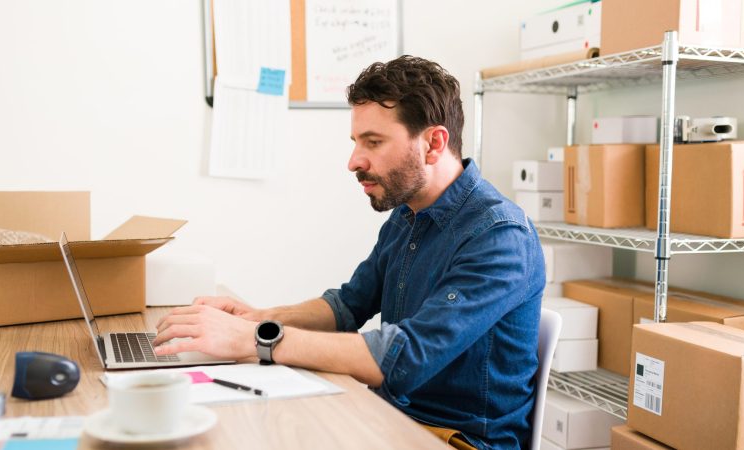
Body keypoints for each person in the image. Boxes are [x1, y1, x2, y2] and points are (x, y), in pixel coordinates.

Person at [153, 55, 545, 450]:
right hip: (390, 418)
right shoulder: (407, 216)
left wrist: (256, 339)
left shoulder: (499, 235)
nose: (354, 161)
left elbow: (405, 358)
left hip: (456, 440)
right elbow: (347, 306)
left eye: (373, 142)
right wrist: (258, 318)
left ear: (433, 143)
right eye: (356, 142)